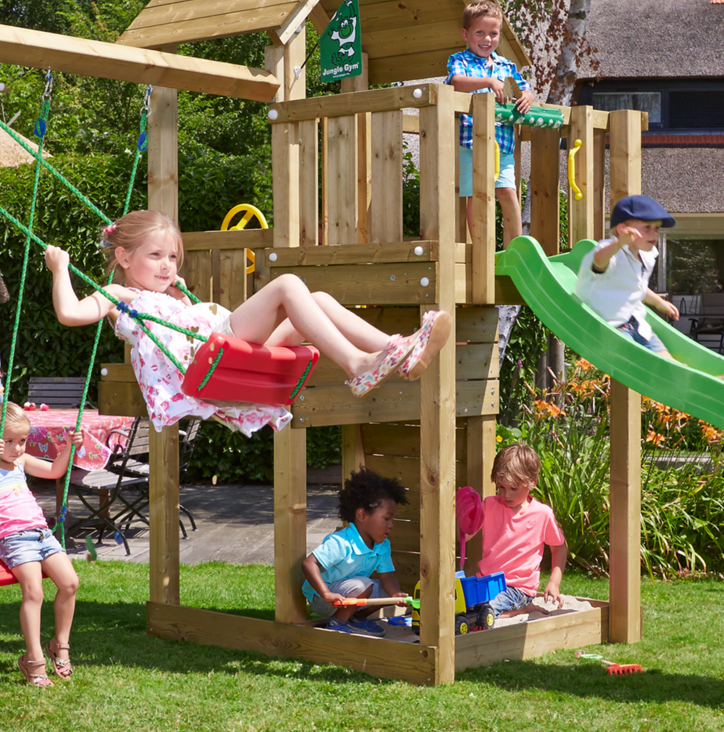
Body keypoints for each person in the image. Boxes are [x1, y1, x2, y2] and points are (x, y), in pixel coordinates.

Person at [45, 210, 452, 428]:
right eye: (155, 256)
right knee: (288, 284)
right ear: (123, 257)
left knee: (320, 298)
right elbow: (69, 313)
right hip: (209, 357)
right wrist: (60, 268)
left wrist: (175, 295)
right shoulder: (122, 295)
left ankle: (396, 349)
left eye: (172, 257)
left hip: (226, 354)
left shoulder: (166, 296)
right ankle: (358, 364)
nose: (167, 265)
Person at [0, 391, 81, 687]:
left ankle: (60, 643)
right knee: (34, 592)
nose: (17, 448)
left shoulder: (20, 461)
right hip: (12, 538)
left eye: (22, 441)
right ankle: (34, 660)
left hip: (41, 533)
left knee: (70, 583)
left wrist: (68, 447)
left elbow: (56, 471)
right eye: (9, 442)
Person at [575, 194, 724, 384]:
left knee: (664, 356)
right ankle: (681, 379)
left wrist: (659, 302)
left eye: (657, 228)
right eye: (647, 228)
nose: (654, 233)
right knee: (637, 359)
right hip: (609, 326)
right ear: (622, 229)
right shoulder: (610, 251)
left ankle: (698, 379)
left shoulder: (645, 256)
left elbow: (637, 287)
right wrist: (619, 242)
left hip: (635, 321)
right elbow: (598, 262)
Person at [447, 0, 534, 247]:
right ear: (466, 34)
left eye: (493, 34)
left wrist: (526, 97)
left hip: (502, 143)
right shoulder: (459, 60)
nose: (487, 39)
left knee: (508, 191)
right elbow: (456, 82)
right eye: (480, 33)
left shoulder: (506, 66)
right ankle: (482, 246)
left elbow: (524, 90)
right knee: (478, 192)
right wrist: (487, 81)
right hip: (472, 142)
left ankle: (517, 247)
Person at [302, 468, 408, 636]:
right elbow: (309, 563)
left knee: (382, 590)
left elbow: (387, 576)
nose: (391, 525)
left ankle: (355, 619)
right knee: (363, 585)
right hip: (322, 599)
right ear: (362, 514)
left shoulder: (382, 546)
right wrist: (326, 594)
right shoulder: (341, 542)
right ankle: (338, 623)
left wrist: (395, 594)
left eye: (392, 520)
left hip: (350, 593)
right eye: (386, 518)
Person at [477, 443, 567, 615]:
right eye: (501, 487)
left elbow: (559, 548)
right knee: (464, 608)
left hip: (519, 587)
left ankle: (522, 609)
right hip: (487, 582)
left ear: (532, 482)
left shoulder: (542, 514)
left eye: (513, 488)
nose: (506, 494)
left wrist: (554, 583)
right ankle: (520, 610)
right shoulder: (489, 505)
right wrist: (466, 517)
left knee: (486, 611)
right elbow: (464, 537)